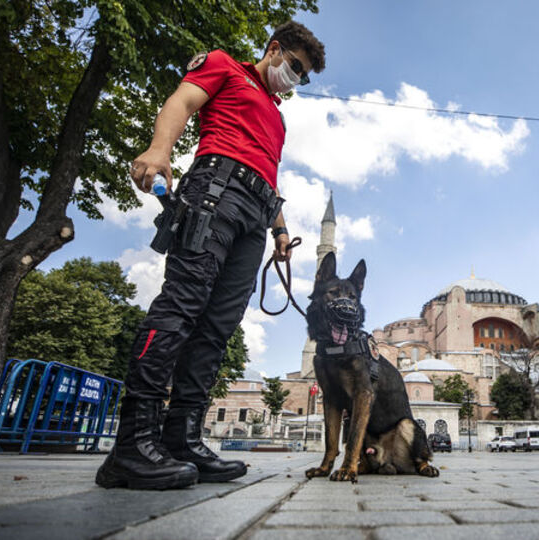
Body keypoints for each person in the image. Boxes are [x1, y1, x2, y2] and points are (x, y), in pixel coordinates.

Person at [96, 21, 326, 490]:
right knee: (180, 307)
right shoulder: (224, 65)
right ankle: (131, 445)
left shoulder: (278, 118)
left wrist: (280, 231)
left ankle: (182, 439)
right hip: (214, 194)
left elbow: (268, 174)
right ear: (275, 49)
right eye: (296, 68)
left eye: (303, 77)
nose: (296, 80)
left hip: (255, 217)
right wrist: (160, 149)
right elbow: (182, 101)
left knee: (218, 327)